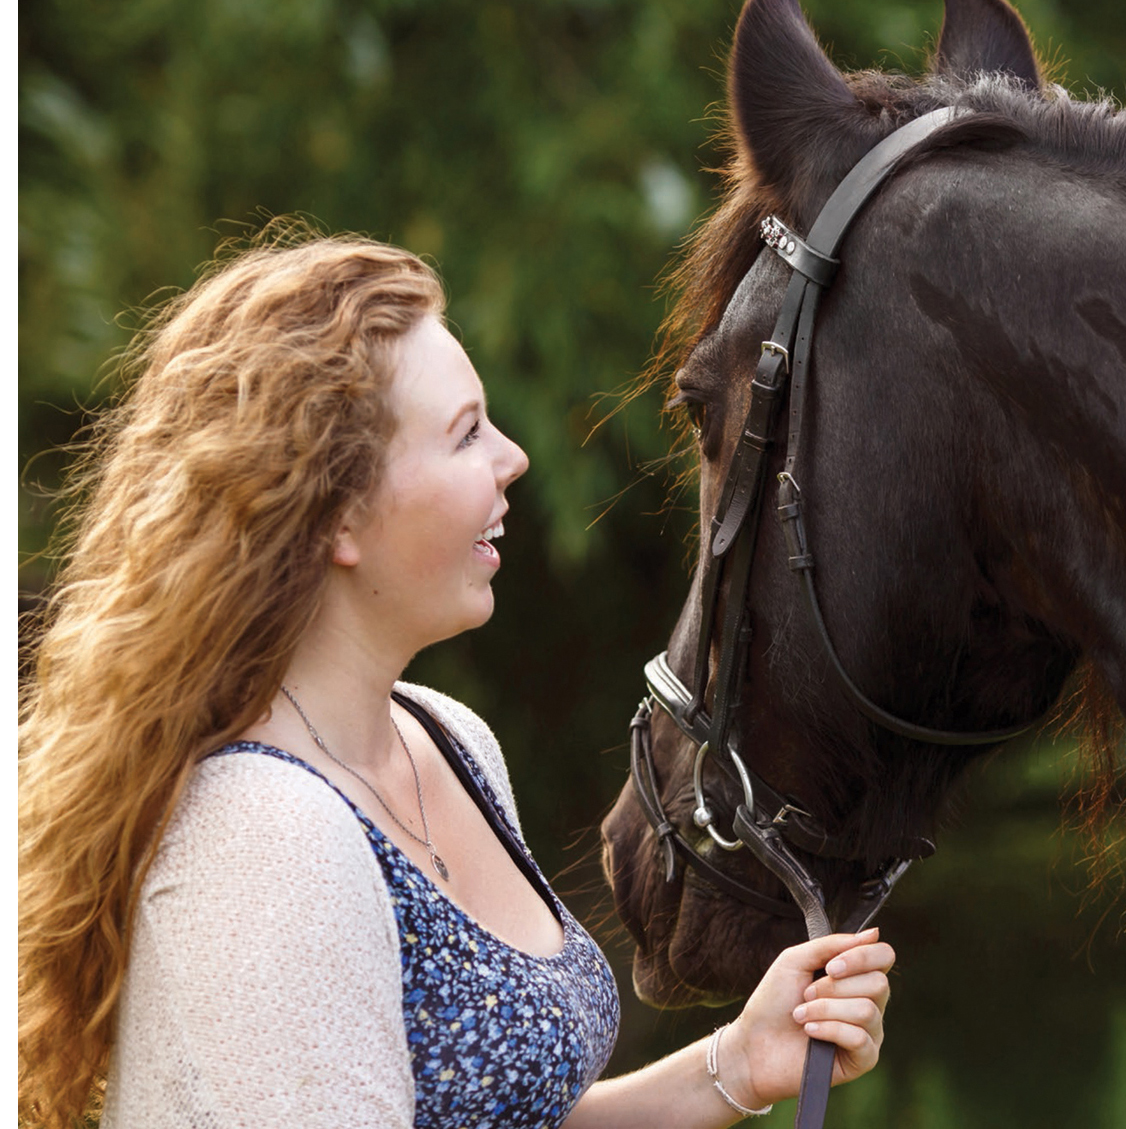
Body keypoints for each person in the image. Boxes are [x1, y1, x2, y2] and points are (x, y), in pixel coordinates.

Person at [18, 231, 894, 1128]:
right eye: (467, 432)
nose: (512, 457)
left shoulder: (445, 738)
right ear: (340, 515)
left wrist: (736, 1063)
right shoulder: (266, 840)